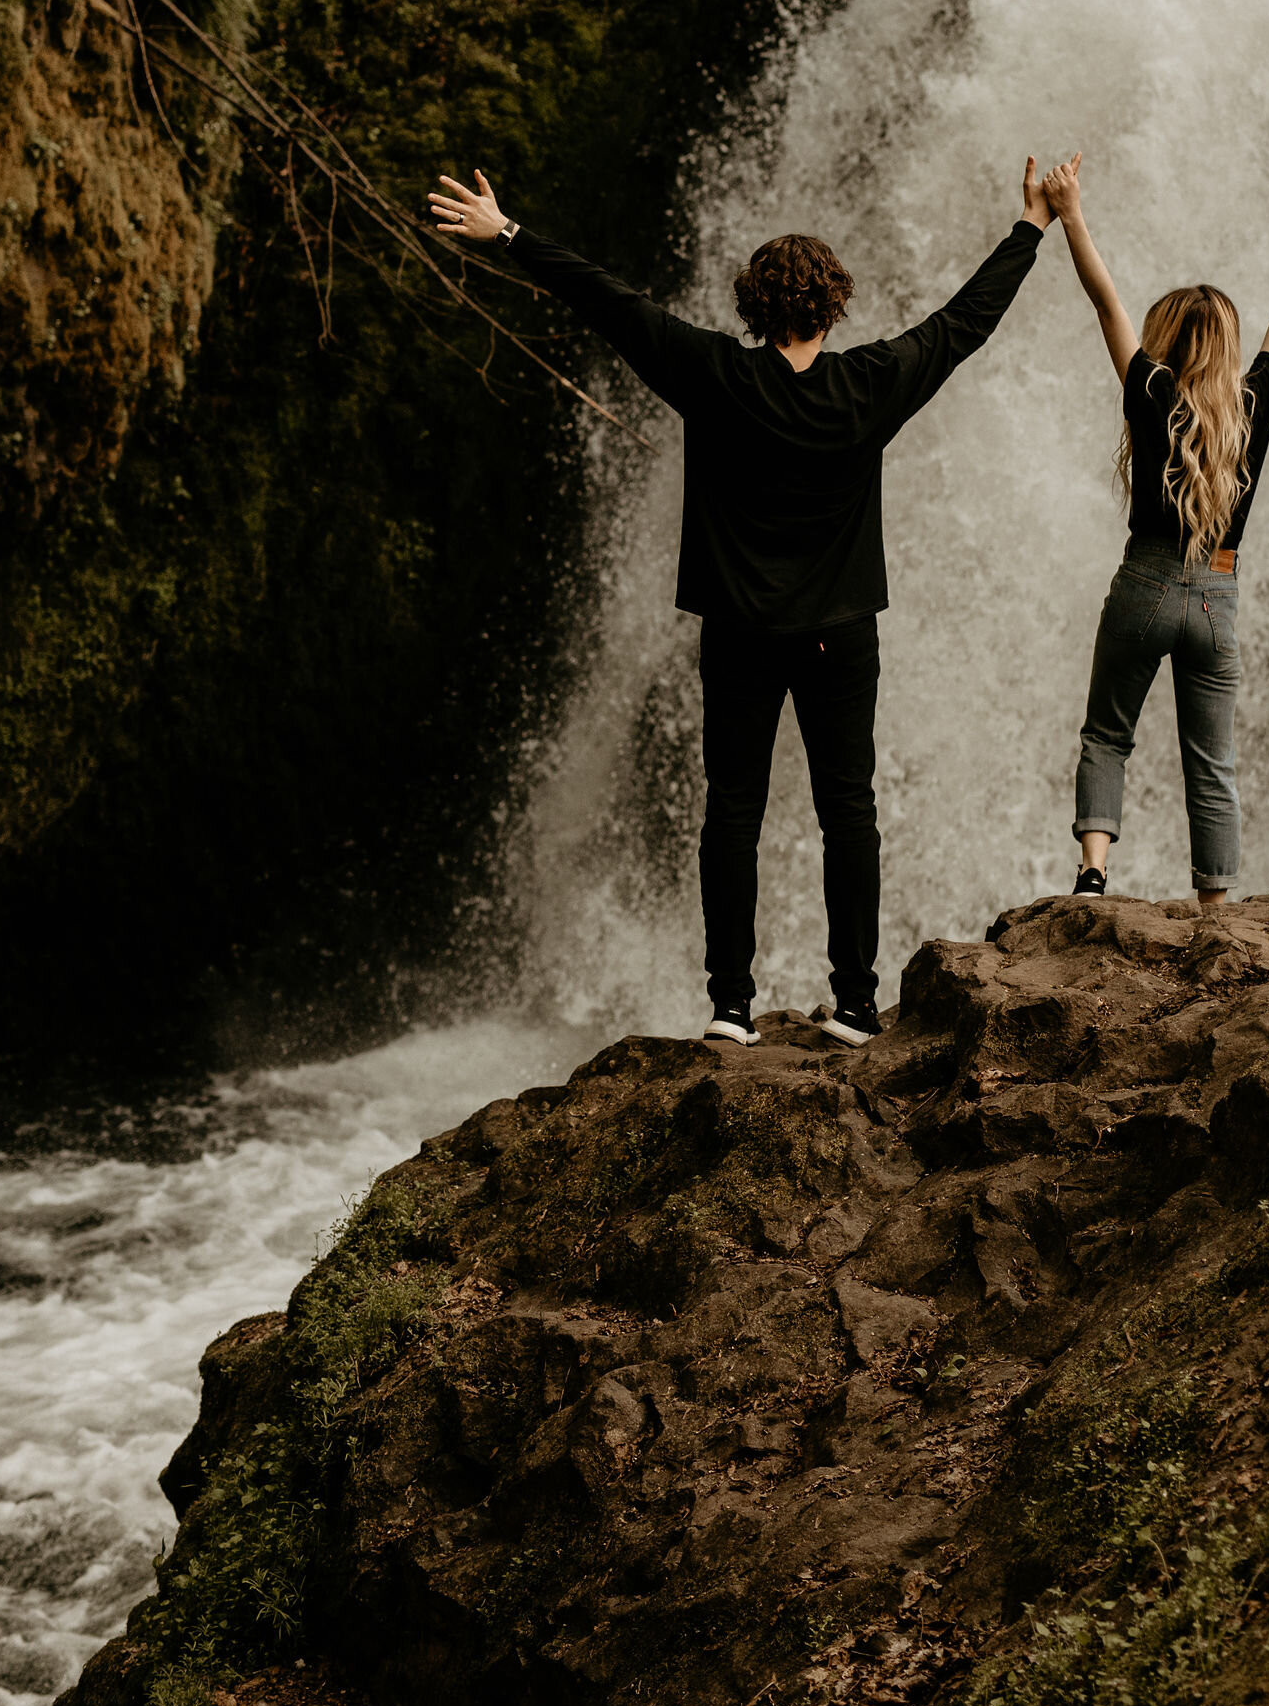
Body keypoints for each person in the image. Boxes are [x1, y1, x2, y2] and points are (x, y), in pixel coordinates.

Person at [428, 156, 1071, 1046]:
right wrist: (1033, 226)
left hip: (739, 634)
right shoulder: (869, 384)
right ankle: (853, 1005)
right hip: (838, 637)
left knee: (733, 807)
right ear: (834, 305)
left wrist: (507, 234)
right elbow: (965, 323)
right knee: (848, 809)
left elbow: (610, 302)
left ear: (753, 307)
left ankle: (729, 1006)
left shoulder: (713, 375)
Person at [1041, 158, 1269, 905]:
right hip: (1218, 594)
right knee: (1212, 761)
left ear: (1168, 342)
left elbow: (1105, 302)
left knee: (1107, 734)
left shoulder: (1151, 391)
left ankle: (1093, 877)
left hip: (1146, 581)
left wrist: (1071, 214)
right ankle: (1217, 910)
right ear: (1227, 348)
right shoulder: (1254, 400)